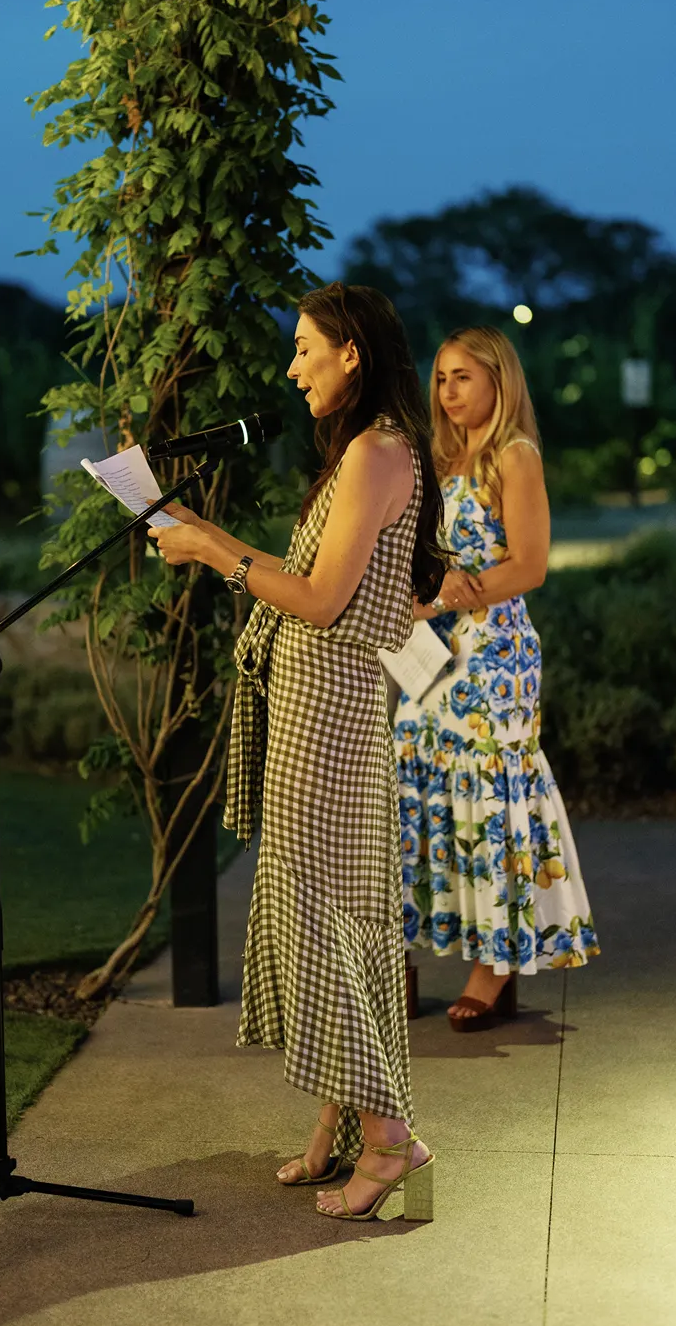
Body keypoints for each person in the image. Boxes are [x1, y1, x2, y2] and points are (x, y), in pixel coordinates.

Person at [149, 282, 445, 1222]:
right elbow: (305, 578)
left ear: (350, 352)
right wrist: (197, 534)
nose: (291, 367)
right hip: (319, 711)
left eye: (303, 348)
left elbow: (317, 604)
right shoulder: (367, 451)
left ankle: (389, 1138)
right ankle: (341, 1125)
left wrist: (209, 556)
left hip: (330, 719)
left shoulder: (373, 452)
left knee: (321, 922)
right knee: (321, 912)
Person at [395, 326, 599, 1030]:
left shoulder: (514, 456)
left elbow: (530, 566)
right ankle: (405, 952)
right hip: (432, 650)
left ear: (498, 381)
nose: (447, 392)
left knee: (488, 802)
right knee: (415, 789)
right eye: (441, 378)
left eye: (462, 378)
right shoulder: (437, 459)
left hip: (494, 653)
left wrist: (444, 596)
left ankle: (493, 967)